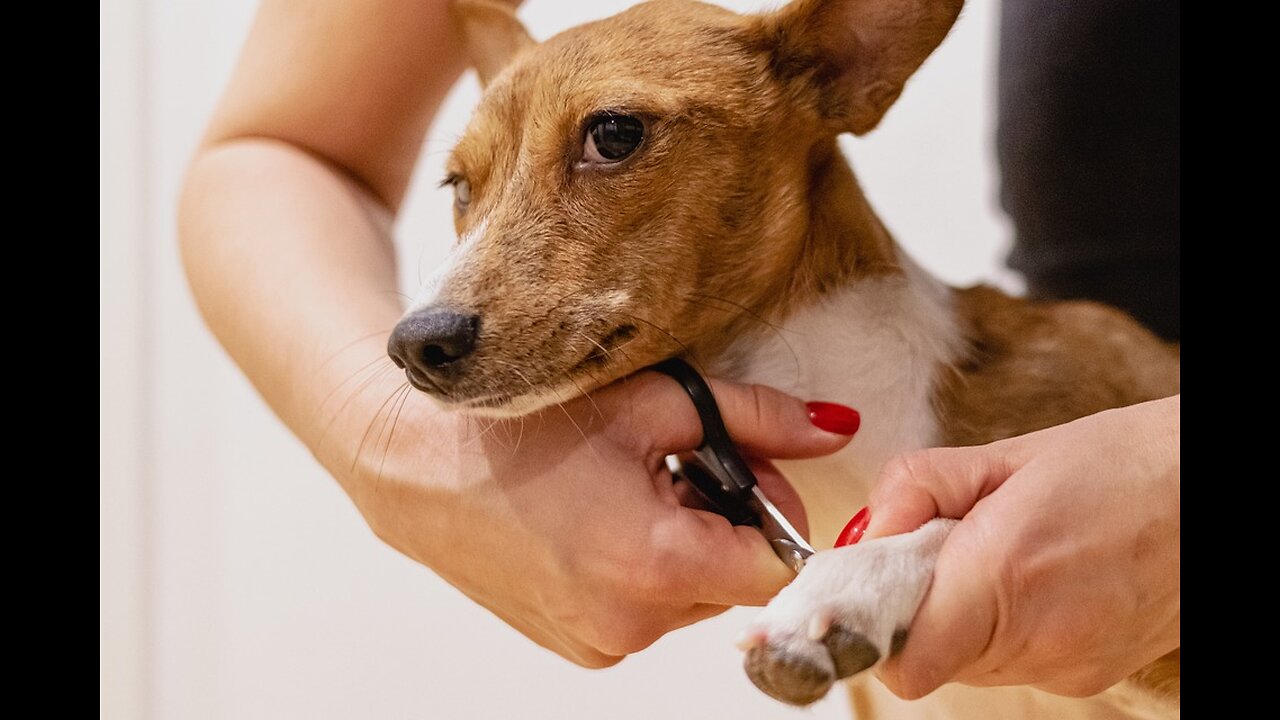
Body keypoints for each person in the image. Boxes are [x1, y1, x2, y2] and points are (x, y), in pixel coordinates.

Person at [178, 0, 1178, 705]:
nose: (438, 316)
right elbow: (287, 146)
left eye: (613, 137)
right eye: (469, 186)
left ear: (840, 61)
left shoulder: (1073, 378)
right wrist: (409, 465)